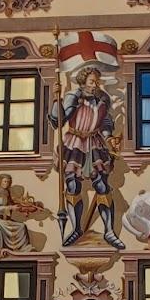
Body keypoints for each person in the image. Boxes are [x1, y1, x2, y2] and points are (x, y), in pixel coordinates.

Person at [51, 66, 124, 249]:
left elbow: (105, 121)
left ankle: (109, 231)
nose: (95, 85)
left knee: (102, 185)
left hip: (94, 142)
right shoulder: (73, 96)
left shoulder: (102, 98)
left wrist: (109, 137)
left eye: (97, 81)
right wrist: (56, 100)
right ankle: (76, 229)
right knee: (72, 185)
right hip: (75, 142)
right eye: (92, 81)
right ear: (83, 82)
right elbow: (58, 121)